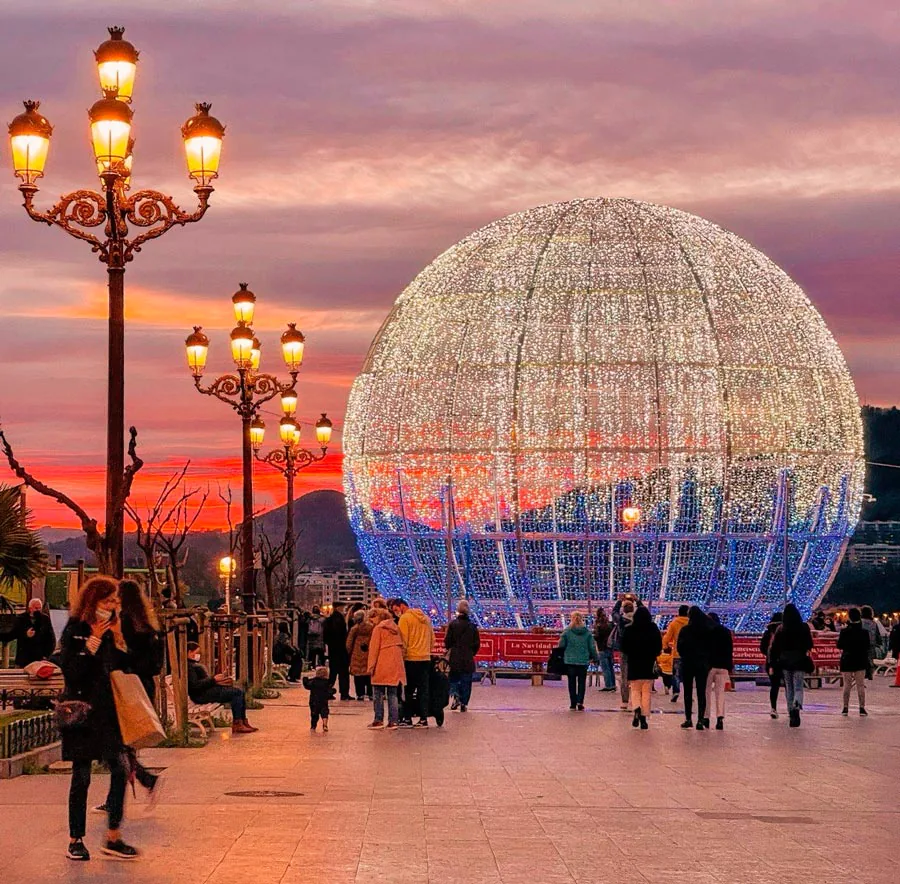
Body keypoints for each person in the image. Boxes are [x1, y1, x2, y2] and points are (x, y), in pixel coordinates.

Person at [59, 576, 137, 861]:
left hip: (108, 712)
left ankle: (113, 835)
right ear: (93, 602)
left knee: (120, 768)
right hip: (80, 712)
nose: (113, 606)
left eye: (116, 601)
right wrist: (91, 640)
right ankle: (75, 839)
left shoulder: (113, 631)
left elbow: (126, 667)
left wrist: (117, 638)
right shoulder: (75, 629)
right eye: (108, 601)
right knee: (82, 776)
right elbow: (72, 669)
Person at [92, 579, 163, 815]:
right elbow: (156, 666)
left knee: (117, 748)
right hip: (142, 689)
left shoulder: (122, 626)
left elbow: (115, 658)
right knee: (125, 747)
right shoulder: (149, 626)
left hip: (123, 689)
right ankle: (135, 787)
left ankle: (129, 792)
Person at [186, 642, 257, 734]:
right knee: (236, 693)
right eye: (196, 652)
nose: (198, 655)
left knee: (239, 691)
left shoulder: (192, 664)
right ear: (189, 652)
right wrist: (213, 680)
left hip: (206, 691)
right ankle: (238, 724)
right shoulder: (189, 667)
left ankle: (242, 721)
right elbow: (195, 686)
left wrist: (217, 680)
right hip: (201, 695)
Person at [389, 597, 435, 728]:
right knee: (423, 690)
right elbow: (432, 639)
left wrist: (401, 658)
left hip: (410, 659)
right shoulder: (426, 618)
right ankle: (423, 719)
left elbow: (403, 641)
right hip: (425, 659)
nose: (396, 613)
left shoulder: (405, 619)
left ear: (402, 606)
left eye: (396, 609)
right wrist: (427, 651)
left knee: (408, 691)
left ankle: (407, 718)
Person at [769, 603, 813, 728]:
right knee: (798, 687)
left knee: (789, 688)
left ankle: (791, 712)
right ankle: (796, 706)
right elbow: (809, 644)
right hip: (799, 660)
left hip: (785, 662)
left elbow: (774, 648)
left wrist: (773, 663)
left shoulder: (781, 629)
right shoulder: (804, 627)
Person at [620, 606, 662, 729]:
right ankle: (644, 717)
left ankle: (636, 708)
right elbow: (658, 645)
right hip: (648, 663)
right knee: (646, 691)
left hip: (634, 663)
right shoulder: (653, 628)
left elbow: (624, 647)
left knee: (635, 689)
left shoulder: (629, 629)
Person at [366, 609, 406, 728]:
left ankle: (378, 720)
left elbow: (374, 650)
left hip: (381, 664)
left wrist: (371, 667)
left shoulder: (378, 629)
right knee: (393, 693)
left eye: (371, 618)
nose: (370, 621)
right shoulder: (396, 628)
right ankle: (393, 721)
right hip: (396, 665)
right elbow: (403, 646)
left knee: (377, 693)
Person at [676, 606, 712, 730]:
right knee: (701, 692)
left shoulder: (685, 630)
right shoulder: (707, 631)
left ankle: (688, 718)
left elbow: (679, 647)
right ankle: (701, 719)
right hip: (702, 664)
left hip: (687, 663)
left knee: (687, 691)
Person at [557, 611, 599, 711]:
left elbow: (561, 645)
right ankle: (580, 702)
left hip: (570, 661)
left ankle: (572, 703)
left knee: (571, 683)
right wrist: (595, 658)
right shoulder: (587, 632)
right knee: (581, 682)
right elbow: (592, 647)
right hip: (583, 661)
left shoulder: (567, 631)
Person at [444, 600, 480, 711]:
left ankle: (456, 696)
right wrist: (471, 653)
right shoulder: (472, 626)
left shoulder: (453, 625)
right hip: (468, 657)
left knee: (454, 679)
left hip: (455, 657)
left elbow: (447, 641)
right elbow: (476, 644)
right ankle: (464, 702)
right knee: (466, 680)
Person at [1, 598, 56, 667]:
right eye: (36, 608)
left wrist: (46, 655)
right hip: (23, 658)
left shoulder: (45, 619)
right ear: (30, 608)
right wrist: (26, 635)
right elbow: (13, 634)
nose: (38, 610)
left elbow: (51, 639)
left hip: (39, 658)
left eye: (40, 608)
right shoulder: (21, 619)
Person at [838, 608, 869, 716]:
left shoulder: (844, 631)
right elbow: (867, 646)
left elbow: (839, 645)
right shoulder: (864, 632)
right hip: (860, 659)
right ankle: (862, 708)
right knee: (860, 685)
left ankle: (845, 708)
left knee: (847, 685)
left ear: (849, 617)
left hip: (847, 659)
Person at [705, 612, 733, 730]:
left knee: (706, 692)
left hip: (709, 666)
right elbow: (730, 650)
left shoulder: (706, 632)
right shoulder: (726, 631)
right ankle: (720, 717)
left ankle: (706, 717)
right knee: (720, 693)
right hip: (723, 666)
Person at [661, 605, 689, 704]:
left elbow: (667, 637)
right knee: (688, 675)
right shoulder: (692, 622)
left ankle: (676, 691)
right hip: (690, 653)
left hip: (677, 652)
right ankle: (688, 693)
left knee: (676, 674)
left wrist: (665, 646)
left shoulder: (674, 623)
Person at [323, 603, 352, 700]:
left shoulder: (329, 620)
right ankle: (344, 693)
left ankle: (327, 691)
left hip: (333, 650)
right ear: (338, 608)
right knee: (343, 673)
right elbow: (342, 635)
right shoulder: (340, 620)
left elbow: (325, 636)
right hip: (341, 650)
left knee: (333, 672)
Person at [610, 599, 635, 708]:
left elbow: (614, 612)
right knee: (635, 676)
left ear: (623, 610)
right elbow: (646, 613)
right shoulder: (638, 620)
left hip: (624, 650)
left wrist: (619, 601)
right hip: (636, 651)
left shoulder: (621, 620)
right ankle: (635, 699)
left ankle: (624, 701)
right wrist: (638, 601)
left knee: (624, 676)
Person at [346, 610, 374, 700]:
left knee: (358, 675)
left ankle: (360, 694)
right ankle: (370, 693)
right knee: (368, 674)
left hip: (356, 652)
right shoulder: (371, 627)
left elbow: (349, 642)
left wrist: (349, 652)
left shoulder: (354, 629)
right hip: (369, 651)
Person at [760, 611, 783, 718]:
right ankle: (791, 707)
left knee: (774, 686)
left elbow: (762, 648)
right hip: (783, 661)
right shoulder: (784, 631)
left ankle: (773, 708)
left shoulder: (768, 632)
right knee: (788, 685)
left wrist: (769, 655)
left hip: (771, 663)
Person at [303, 665, 334, 732]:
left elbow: (307, 685)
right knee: (324, 713)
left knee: (314, 714)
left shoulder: (313, 681)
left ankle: (313, 726)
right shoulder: (327, 682)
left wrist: (305, 679)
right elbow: (330, 690)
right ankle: (325, 724)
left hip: (314, 701)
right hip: (323, 701)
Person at [593, 608, 616, 691]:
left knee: (605, 668)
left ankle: (608, 685)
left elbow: (597, 636)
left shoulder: (598, 625)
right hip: (610, 647)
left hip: (602, 648)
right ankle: (613, 684)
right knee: (610, 667)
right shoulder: (610, 624)